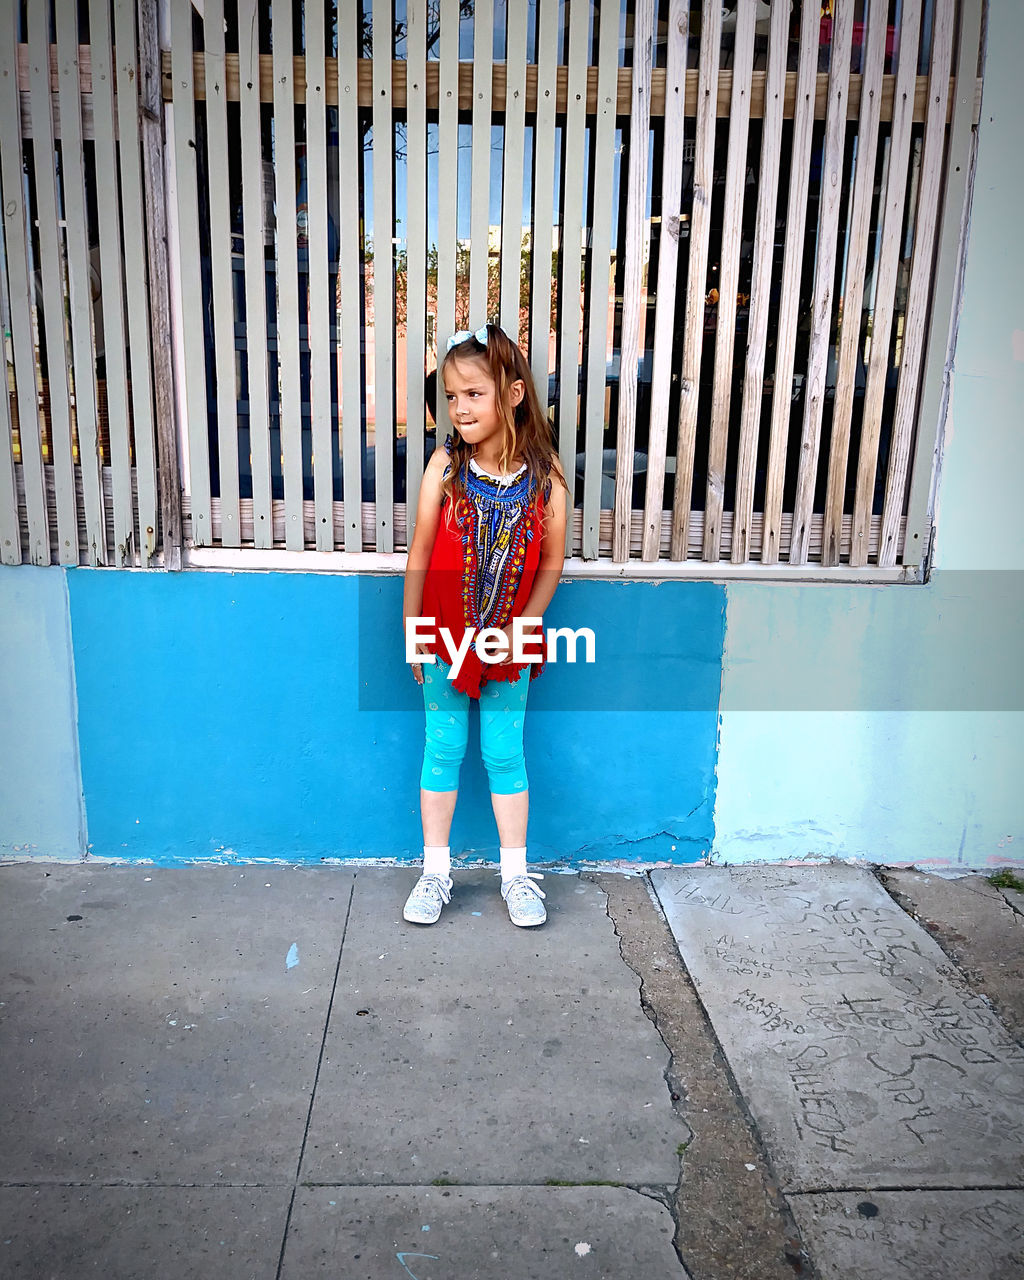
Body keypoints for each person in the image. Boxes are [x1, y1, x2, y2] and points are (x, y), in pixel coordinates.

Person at [402, 323, 569, 928]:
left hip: (508, 644)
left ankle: (517, 876)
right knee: (441, 749)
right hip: (445, 637)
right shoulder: (445, 467)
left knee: (505, 754)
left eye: (474, 393)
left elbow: (551, 563)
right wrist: (412, 630)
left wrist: (524, 624)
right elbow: (420, 552)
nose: (460, 407)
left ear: (514, 392)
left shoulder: (546, 480)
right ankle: (435, 872)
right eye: (451, 396)